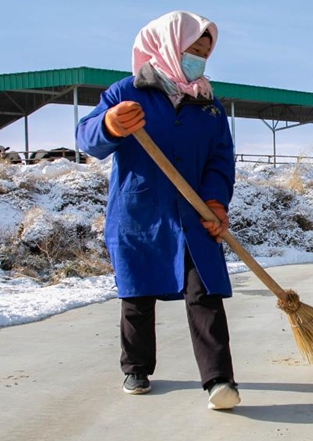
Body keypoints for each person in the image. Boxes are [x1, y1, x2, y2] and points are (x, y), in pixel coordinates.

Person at [76, 11, 240, 411]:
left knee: (204, 292)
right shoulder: (127, 91)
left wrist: (216, 199)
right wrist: (110, 125)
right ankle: (136, 367)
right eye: (192, 48)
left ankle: (219, 379)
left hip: (194, 212)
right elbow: (86, 137)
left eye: (205, 51)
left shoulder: (209, 105)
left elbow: (221, 157)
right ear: (168, 45)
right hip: (141, 211)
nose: (199, 56)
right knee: (138, 291)